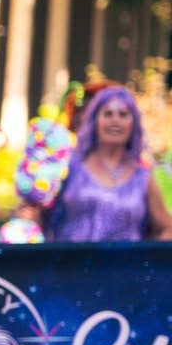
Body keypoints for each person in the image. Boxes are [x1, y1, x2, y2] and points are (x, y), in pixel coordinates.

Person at [43, 85, 172, 242]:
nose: (115, 120)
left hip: (125, 265)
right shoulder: (69, 165)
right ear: (94, 121)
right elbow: (39, 210)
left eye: (123, 114)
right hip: (70, 264)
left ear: (134, 124)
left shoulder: (143, 177)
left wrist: (151, 259)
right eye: (108, 114)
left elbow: (167, 228)